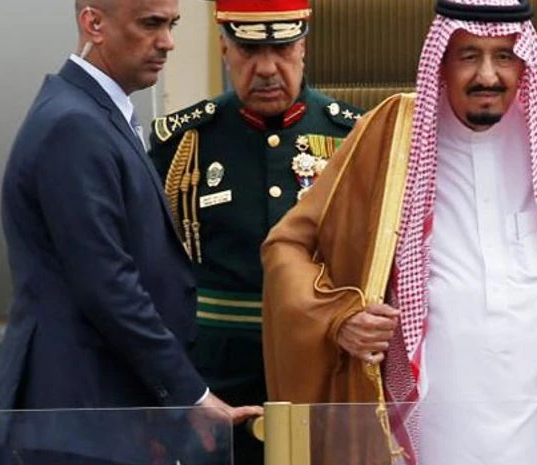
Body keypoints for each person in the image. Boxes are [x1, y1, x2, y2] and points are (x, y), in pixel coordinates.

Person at [261, 0, 537, 464]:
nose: (488, 75)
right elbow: (287, 246)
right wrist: (337, 317)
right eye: (469, 55)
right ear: (441, 62)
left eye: (504, 56)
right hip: (432, 428)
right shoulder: (388, 136)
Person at [0, 0, 261, 464]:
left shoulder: (94, 114)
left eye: (172, 24)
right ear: (93, 23)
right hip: (80, 419)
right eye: (150, 24)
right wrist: (190, 397)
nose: (168, 42)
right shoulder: (74, 124)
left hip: (97, 416)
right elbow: (107, 283)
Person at [148, 0, 362, 463]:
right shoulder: (183, 142)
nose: (266, 68)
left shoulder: (354, 138)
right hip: (216, 374)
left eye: (282, 48)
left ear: (304, 46)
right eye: (248, 50)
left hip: (319, 362)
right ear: (224, 48)